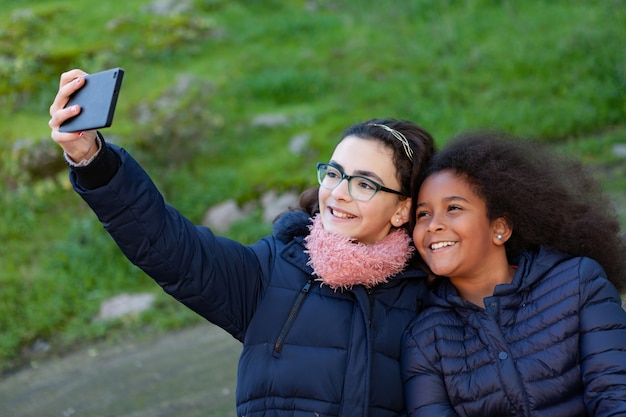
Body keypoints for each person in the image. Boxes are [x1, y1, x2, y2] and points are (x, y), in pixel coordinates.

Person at [48, 69, 436, 417]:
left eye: (364, 184)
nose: (339, 193)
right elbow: (166, 243)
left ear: (402, 209)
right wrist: (91, 158)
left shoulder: (429, 297)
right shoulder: (271, 271)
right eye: (334, 174)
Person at [401, 130, 626, 417]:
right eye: (423, 214)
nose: (433, 225)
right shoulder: (424, 338)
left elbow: (616, 398)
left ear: (500, 228)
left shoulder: (578, 283)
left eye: (453, 208)